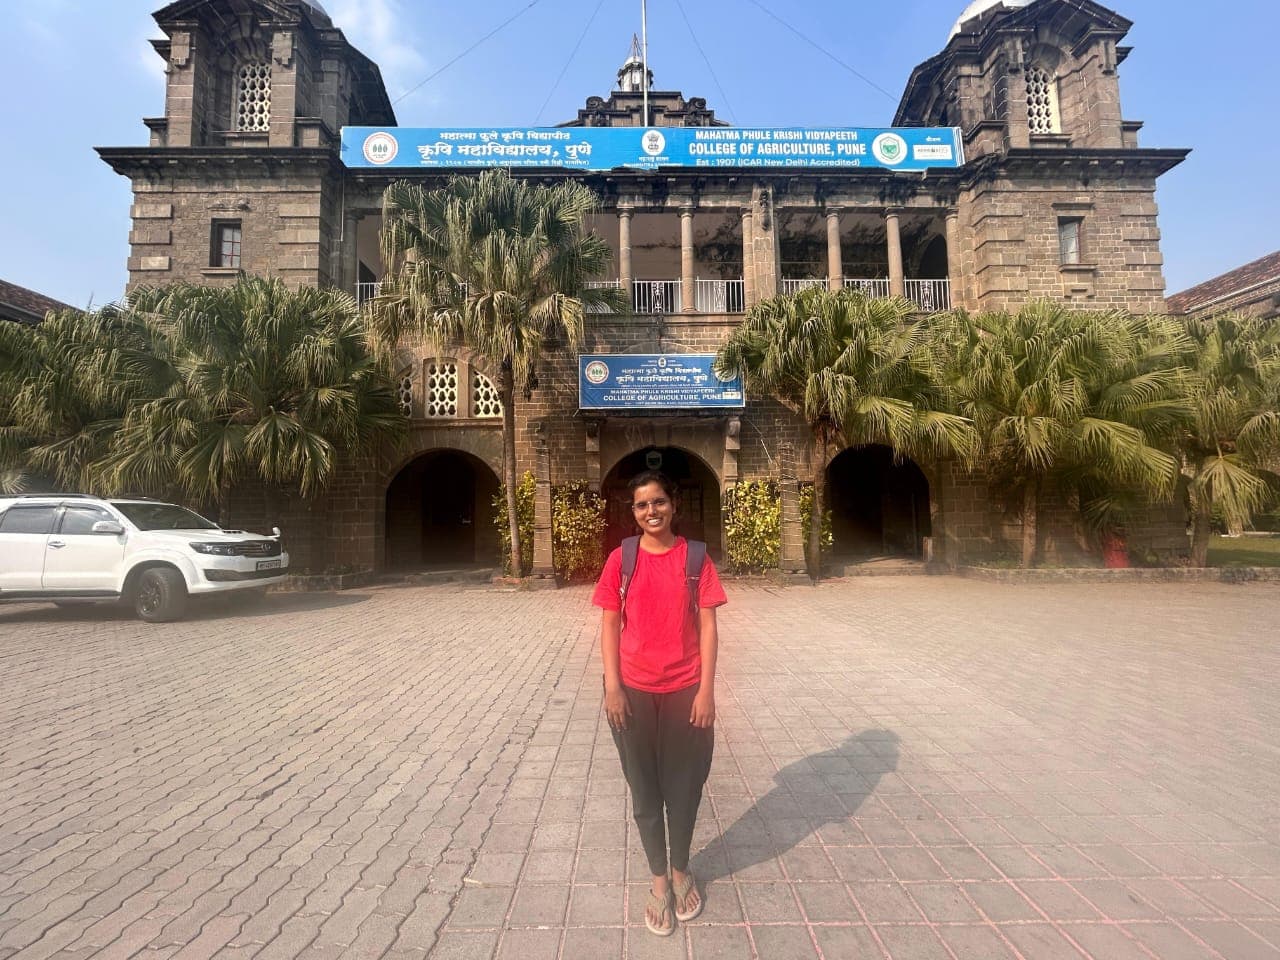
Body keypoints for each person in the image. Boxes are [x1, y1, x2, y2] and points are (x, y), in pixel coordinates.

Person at [591, 470, 727, 936]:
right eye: (642, 504)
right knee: (644, 790)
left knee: (684, 788)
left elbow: (708, 627)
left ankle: (682, 869)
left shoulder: (696, 558)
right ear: (633, 512)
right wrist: (613, 686)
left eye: (659, 502)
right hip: (632, 691)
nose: (652, 511)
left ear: (673, 504)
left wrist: (706, 690)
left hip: (686, 690)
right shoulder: (621, 560)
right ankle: (658, 879)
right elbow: (609, 625)